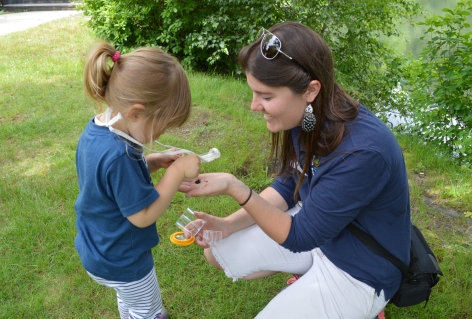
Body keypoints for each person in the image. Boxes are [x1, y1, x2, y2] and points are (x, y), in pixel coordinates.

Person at [179, 22, 410, 319]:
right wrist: (227, 225)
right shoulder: (307, 116)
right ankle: (310, 275)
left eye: (266, 96)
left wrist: (236, 188)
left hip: (361, 268)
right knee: (217, 250)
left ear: (311, 90)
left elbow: (300, 236)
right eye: (253, 92)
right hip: (323, 237)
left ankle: (365, 307)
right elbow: (290, 184)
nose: (253, 106)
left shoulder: (363, 152)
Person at [74, 41, 200, 319]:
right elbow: (142, 216)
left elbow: (109, 183)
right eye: (162, 125)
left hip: (96, 248)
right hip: (124, 260)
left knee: (128, 299)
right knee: (149, 309)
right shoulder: (120, 155)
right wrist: (175, 173)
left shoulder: (98, 130)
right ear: (135, 113)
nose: (160, 134)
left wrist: (153, 161)